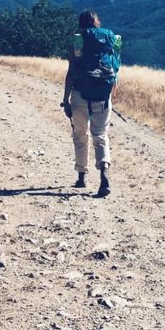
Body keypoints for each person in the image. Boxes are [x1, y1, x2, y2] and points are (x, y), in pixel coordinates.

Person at [61, 10, 121, 198]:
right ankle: (104, 171)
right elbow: (116, 67)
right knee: (101, 135)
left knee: (80, 135)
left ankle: (81, 175)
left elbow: (71, 72)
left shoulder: (77, 40)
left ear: (80, 23)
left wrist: (66, 99)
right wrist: (111, 92)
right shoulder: (111, 38)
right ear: (96, 22)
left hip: (80, 94)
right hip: (103, 96)